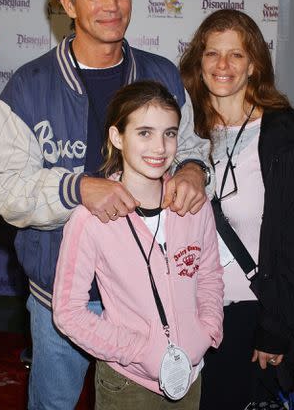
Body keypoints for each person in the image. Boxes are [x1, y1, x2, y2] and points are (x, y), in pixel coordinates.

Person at [0, 0, 213, 409]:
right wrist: (76, 188)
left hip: (149, 299)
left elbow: (192, 146)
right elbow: (1, 184)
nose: (112, 4)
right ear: (66, 1)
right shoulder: (29, 86)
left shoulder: (162, 74)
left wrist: (192, 169)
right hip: (62, 300)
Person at [52, 80, 224, 410]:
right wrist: (139, 351)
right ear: (118, 137)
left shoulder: (193, 205)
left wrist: (206, 332)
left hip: (190, 372)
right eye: (144, 133)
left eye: (169, 133)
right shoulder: (90, 219)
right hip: (127, 381)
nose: (160, 147)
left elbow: (210, 276)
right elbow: (68, 312)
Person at [179, 8, 294, 409]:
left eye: (235, 55)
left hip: (253, 316)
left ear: (253, 64)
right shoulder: (184, 135)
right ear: (197, 64)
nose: (223, 65)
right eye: (212, 54)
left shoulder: (289, 137)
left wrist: (275, 328)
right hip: (190, 316)